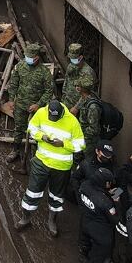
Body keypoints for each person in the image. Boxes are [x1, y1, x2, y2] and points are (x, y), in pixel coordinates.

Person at [15, 100, 85, 237]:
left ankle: (52, 220)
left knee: (56, 196)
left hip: (61, 167)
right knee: (32, 192)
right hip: (41, 162)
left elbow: (80, 145)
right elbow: (32, 128)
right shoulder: (41, 113)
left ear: (62, 113)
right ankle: (25, 218)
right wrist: (42, 137)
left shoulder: (72, 121)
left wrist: (63, 144)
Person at [3, 43, 54, 164]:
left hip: (36, 109)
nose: (28, 59)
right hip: (20, 104)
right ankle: (15, 150)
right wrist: (11, 99)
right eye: (27, 56)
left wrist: (39, 104)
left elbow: (49, 91)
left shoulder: (44, 72)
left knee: (37, 131)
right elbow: (13, 84)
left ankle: (37, 154)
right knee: (19, 128)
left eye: (30, 57)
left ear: (36, 58)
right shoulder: (20, 66)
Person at [78, 167, 122, 263]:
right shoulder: (105, 202)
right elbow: (115, 218)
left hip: (86, 223)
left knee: (86, 246)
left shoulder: (84, 186)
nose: (110, 184)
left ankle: (84, 255)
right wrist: (116, 201)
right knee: (97, 260)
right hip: (101, 234)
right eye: (108, 182)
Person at [63, 43, 98, 109]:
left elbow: (89, 94)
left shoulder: (88, 72)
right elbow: (67, 80)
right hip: (67, 101)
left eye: (74, 58)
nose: (72, 60)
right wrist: (64, 93)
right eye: (71, 58)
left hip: (80, 107)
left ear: (81, 57)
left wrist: (76, 108)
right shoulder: (70, 66)